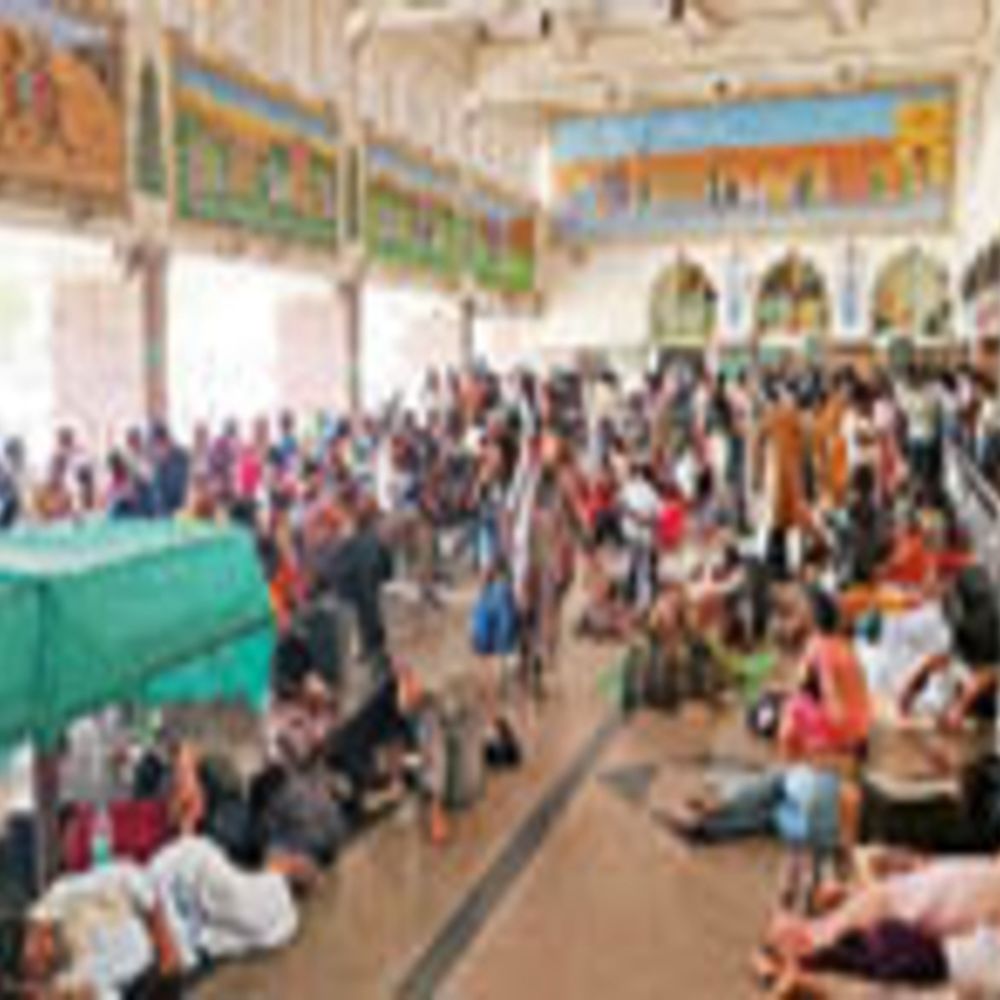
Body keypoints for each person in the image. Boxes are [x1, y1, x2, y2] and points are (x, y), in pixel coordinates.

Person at [779, 587, 871, 761]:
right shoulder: (845, 645)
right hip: (861, 730)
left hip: (838, 731)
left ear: (810, 618)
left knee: (790, 707)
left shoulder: (815, 644)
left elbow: (801, 685)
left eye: (796, 613)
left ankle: (790, 761)